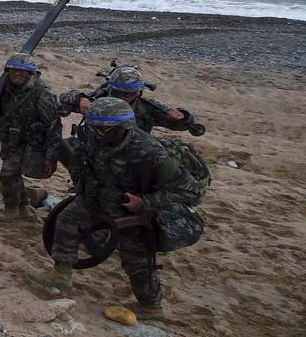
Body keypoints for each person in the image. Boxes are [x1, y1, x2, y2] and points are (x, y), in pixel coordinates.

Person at [48, 97, 200, 320]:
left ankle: (150, 306)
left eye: (104, 129)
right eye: (94, 127)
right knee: (66, 222)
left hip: (129, 211)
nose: (98, 133)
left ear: (122, 128)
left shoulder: (150, 152)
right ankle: (61, 281)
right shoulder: (92, 136)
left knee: (136, 260)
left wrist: (145, 203)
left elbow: (190, 192)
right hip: (94, 199)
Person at [0, 53, 62, 220]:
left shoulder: (42, 93)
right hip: (11, 140)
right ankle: (19, 207)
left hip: (33, 143)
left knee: (10, 174)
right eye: (13, 71)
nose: (17, 74)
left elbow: (54, 126)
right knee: (10, 173)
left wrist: (51, 156)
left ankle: (15, 207)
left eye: (22, 71)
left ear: (30, 73)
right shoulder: (4, 89)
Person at [59, 65, 197, 135]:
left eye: (131, 93)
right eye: (123, 93)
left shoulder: (145, 107)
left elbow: (182, 125)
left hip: (132, 155)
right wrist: (81, 98)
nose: (127, 96)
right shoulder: (99, 100)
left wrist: (183, 117)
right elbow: (64, 100)